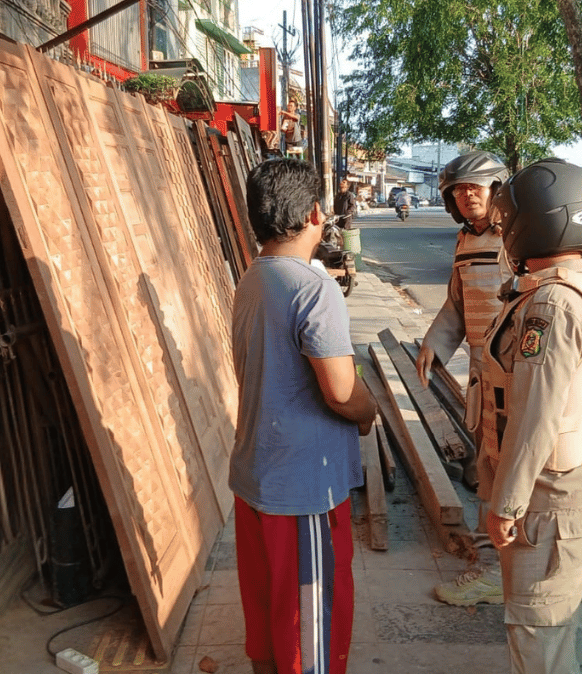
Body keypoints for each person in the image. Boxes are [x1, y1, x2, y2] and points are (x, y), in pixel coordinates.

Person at [482, 158, 582, 674]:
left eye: (508, 222)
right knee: (574, 614)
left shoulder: (551, 305)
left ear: (533, 224)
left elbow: (534, 417)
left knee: (538, 631)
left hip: (549, 501)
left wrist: (506, 504)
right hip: (580, 493)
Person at [232, 158, 378, 674]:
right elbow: (341, 391)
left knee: (267, 620)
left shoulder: (253, 279)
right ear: (315, 213)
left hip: (256, 476)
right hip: (303, 490)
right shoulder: (314, 288)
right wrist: (369, 410)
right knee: (309, 632)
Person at [412, 150, 510, 606]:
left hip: (515, 372)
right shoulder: (465, 240)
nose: (467, 196)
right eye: (459, 191)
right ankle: (494, 561)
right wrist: (434, 343)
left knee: (505, 466)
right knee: (487, 462)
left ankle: (498, 568)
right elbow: (457, 301)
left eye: (476, 187)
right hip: (480, 371)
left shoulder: (518, 235)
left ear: (497, 190)